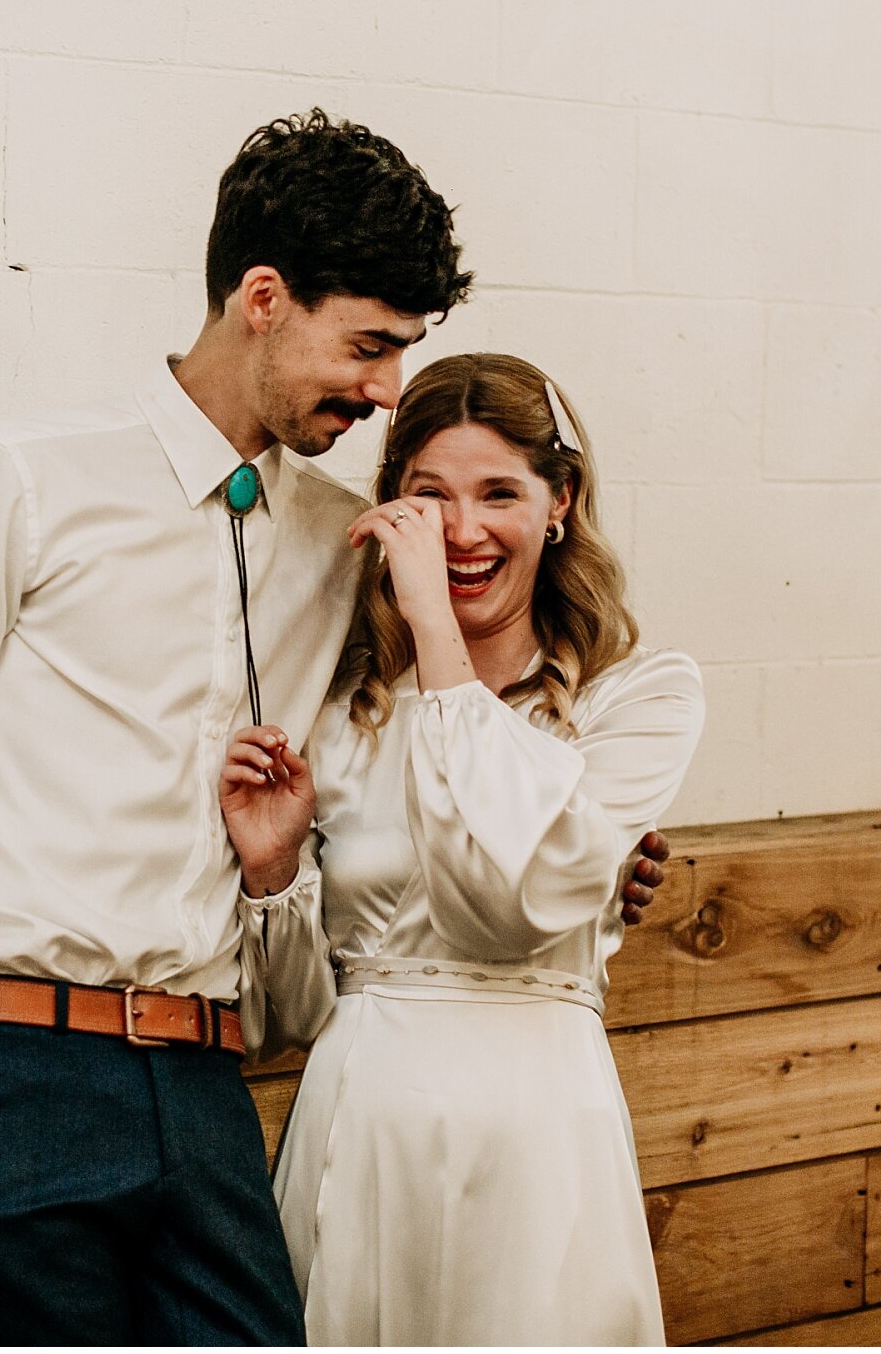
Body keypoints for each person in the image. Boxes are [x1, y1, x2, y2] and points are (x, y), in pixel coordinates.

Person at [0, 110, 671, 1345]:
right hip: (5, 1072)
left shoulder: (342, 542)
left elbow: (442, 740)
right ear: (261, 297)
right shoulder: (24, 480)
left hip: (208, 1084)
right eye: (367, 348)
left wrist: (590, 854)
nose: (384, 394)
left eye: (401, 354)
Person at [220, 352, 704, 1346]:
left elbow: (511, 900)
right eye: (428, 496)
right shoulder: (340, 711)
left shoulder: (636, 700)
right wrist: (272, 875)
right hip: (363, 1129)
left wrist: (433, 632)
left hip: (540, 1128)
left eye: (498, 494)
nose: (464, 530)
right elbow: (288, 1017)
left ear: (558, 502)